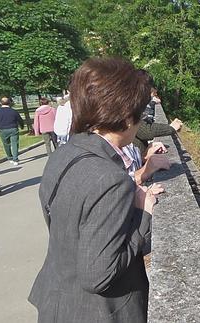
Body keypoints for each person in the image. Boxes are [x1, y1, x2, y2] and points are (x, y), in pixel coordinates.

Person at [29, 57, 161, 323]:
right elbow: (99, 275)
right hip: (96, 313)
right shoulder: (110, 179)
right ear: (126, 119)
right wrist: (143, 213)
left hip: (57, 300)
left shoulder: (64, 154)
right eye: (140, 114)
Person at [0, 97, 24, 166]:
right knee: (14, 144)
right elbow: (20, 120)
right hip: (13, 129)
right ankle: (15, 159)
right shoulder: (13, 111)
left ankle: (10, 158)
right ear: (9, 102)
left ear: (0, 103)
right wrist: (21, 126)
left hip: (3, 130)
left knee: (6, 144)